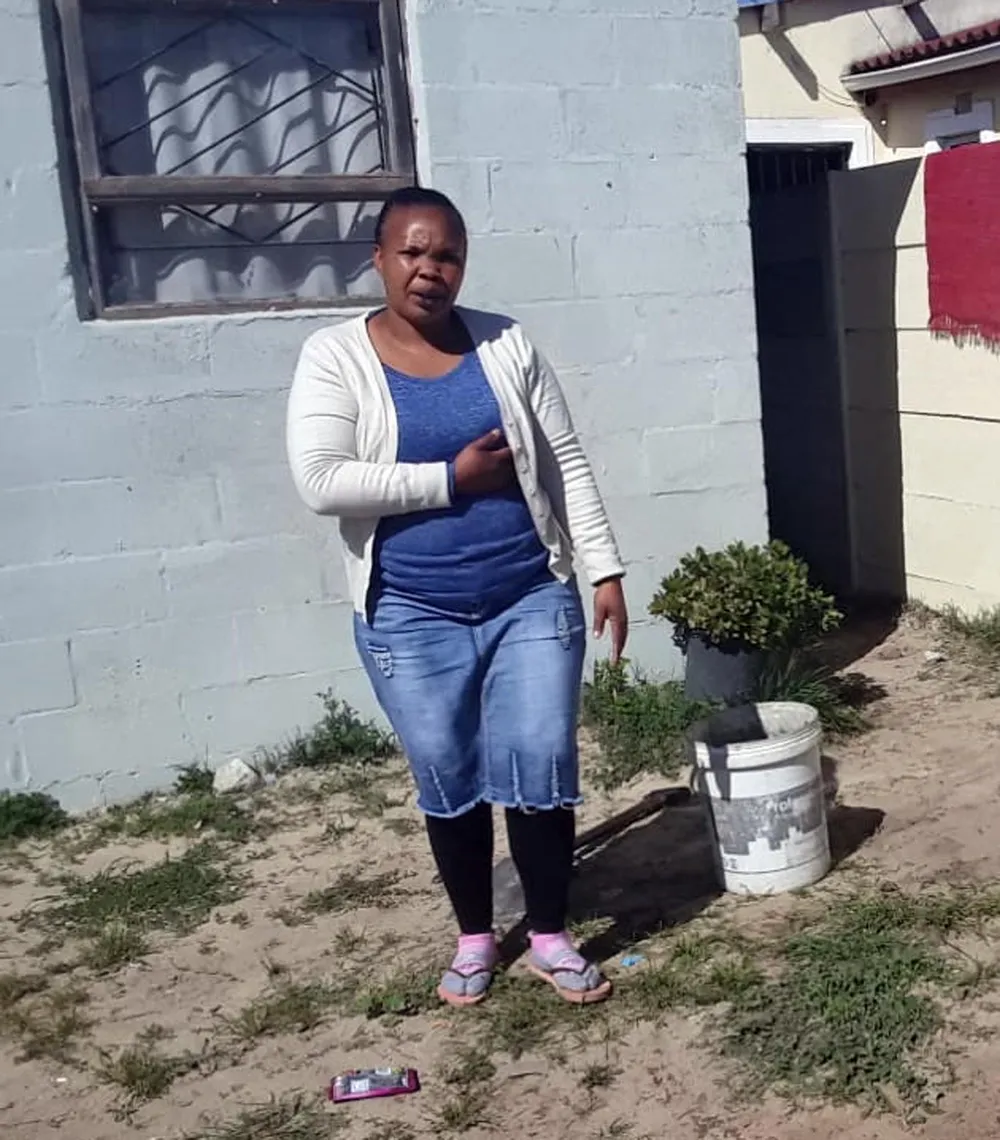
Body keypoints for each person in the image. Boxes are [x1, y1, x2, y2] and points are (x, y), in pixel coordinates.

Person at [286, 186, 628, 1007]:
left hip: (528, 594)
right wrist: (451, 479)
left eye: (447, 255)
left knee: (541, 760)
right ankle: (476, 936)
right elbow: (321, 480)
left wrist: (604, 568)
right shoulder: (334, 357)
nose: (429, 270)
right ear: (379, 258)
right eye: (412, 252)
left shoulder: (505, 344)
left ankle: (548, 935)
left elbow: (564, 460)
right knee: (448, 772)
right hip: (410, 611)